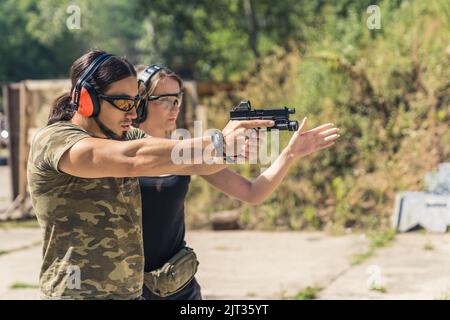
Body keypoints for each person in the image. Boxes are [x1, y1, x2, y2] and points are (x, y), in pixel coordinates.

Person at [27, 51, 273, 300]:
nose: (133, 114)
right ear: (87, 100)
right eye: (124, 103)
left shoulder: (126, 137)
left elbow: (188, 161)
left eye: (135, 103)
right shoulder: (55, 140)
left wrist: (227, 152)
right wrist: (217, 142)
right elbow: (133, 159)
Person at [134, 65, 340, 300]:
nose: (175, 107)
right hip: (128, 286)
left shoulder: (186, 150)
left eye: (178, 98)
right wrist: (222, 144)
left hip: (177, 285)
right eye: (165, 99)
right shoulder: (119, 153)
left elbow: (253, 192)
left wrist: (289, 154)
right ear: (140, 103)